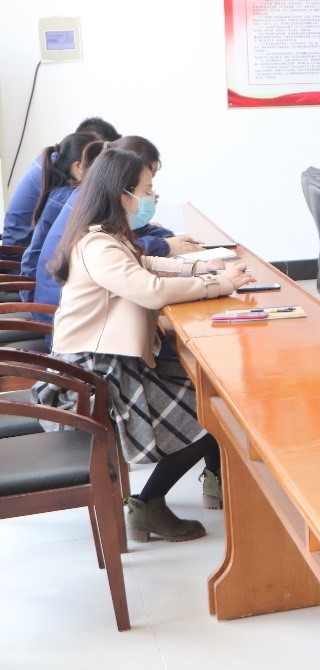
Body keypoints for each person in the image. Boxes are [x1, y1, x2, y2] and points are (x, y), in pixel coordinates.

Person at [34, 148, 255, 542]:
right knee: (213, 410)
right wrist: (218, 284)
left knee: (211, 391)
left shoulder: (106, 236)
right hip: (93, 377)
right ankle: (148, 504)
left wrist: (203, 267)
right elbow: (150, 289)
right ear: (121, 194)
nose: (152, 197)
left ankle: (211, 482)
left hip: (108, 363)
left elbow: (147, 264)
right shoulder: (99, 246)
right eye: (147, 190)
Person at [32, 136, 201, 321]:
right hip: (58, 312)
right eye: (147, 189)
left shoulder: (100, 201)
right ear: (122, 184)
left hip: (79, 311)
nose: (152, 196)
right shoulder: (93, 223)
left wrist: (171, 243)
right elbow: (149, 285)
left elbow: (138, 237)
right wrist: (211, 283)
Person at [3, 116, 120, 247]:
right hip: (18, 250)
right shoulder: (61, 190)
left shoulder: (55, 160)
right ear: (78, 166)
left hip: (20, 246)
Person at [19, 132, 105, 283]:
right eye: (100, 166)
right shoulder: (71, 197)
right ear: (78, 167)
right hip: (39, 283)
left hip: (37, 276)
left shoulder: (63, 191)